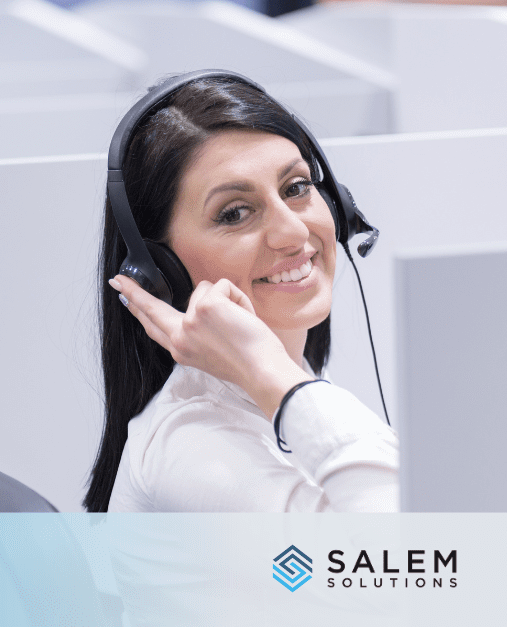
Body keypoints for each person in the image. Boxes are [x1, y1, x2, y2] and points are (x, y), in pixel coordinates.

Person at [87, 72, 398, 513]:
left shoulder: (298, 382)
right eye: (235, 213)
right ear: (161, 272)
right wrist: (269, 371)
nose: (292, 232)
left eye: (296, 188)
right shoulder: (194, 451)